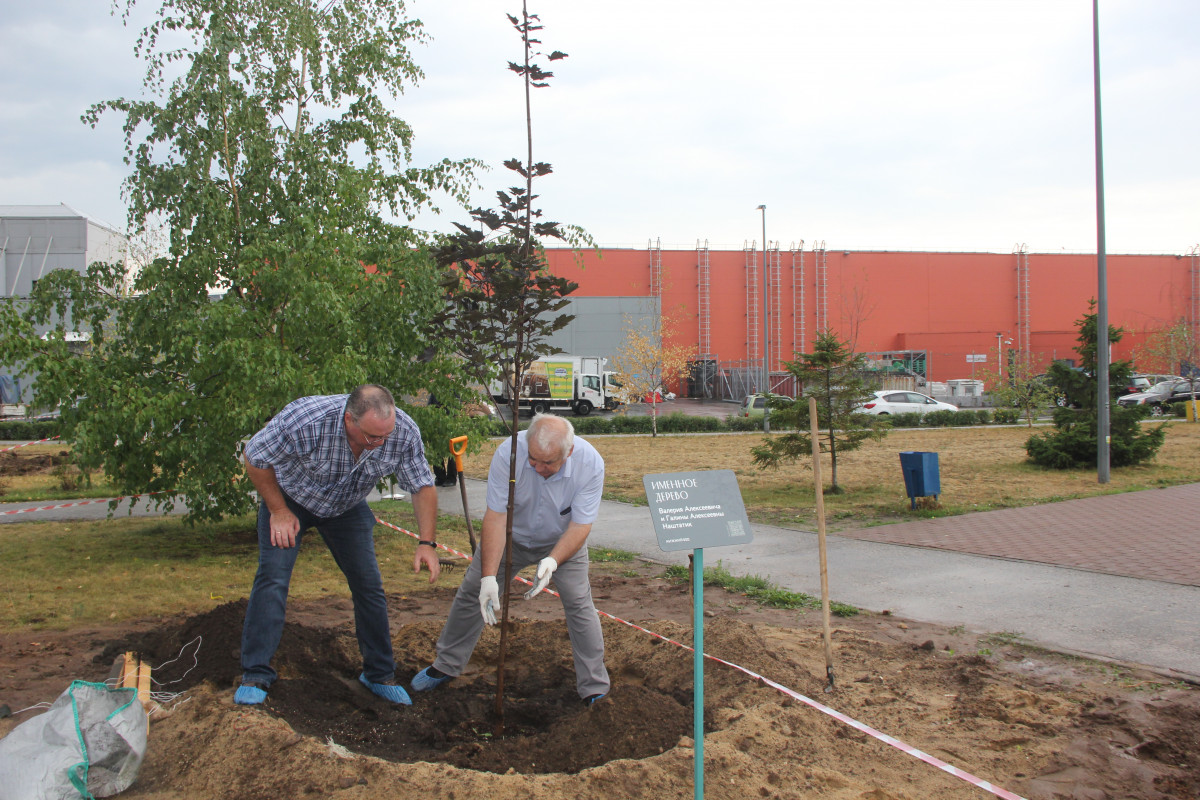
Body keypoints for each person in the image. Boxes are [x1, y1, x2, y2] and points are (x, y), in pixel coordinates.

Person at [236, 384, 441, 706]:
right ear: (349, 419)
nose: (380, 444)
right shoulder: (305, 419)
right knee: (273, 579)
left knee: (369, 585)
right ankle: (256, 674)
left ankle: (378, 674)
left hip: (346, 507)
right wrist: (277, 511)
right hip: (290, 500)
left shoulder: (403, 431)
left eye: (386, 436)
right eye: (372, 437)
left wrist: (427, 542)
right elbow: (255, 457)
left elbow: (422, 485)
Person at [410, 413, 610, 703]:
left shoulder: (590, 464)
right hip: (509, 537)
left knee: (579, 602)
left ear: (569, 451)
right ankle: (446, 665)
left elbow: (581, 525)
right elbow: (495, 517)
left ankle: (594, 687)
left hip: (563, 541)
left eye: (549, 463)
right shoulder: (509, 452)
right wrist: (489, 576)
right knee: (472, 591)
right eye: (533, 460)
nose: (539, 467)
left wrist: (553, 561)